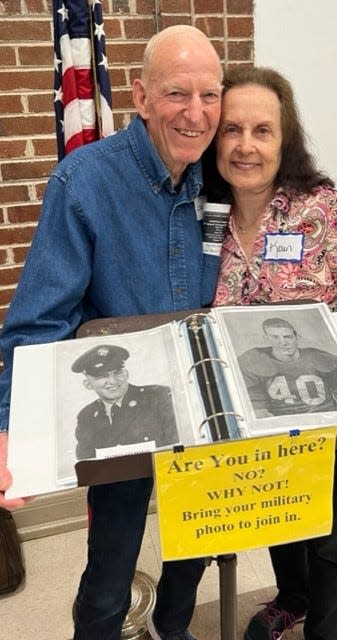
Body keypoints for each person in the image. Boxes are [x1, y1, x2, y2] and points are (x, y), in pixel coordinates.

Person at [0, 25, 223, 640]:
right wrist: (7, 427)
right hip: (120, 415)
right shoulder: (85, 183)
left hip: (203, 409)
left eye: (211, 94)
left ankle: (173, 629)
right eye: (178, 93)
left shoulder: (223, 175)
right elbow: (39, 320)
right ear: (141, 97)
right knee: (111, 564)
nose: (196, 112)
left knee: (196, 545)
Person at [206, 66, 337, 640]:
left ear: (285, 141)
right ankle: (293, 598)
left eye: (262, 130)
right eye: (232, 129)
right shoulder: (196, 217)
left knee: (331, 538)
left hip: (327, 412)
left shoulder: (322, 210)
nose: (245, 145)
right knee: (279, 521)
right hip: (248, 420)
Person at [239, 317, 337, 418]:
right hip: (284, 423)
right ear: (266, 339)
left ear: (297, 337)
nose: (283, 342)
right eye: (275, 337)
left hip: (326, 417)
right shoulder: (253, 360)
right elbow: (256, 403)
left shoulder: (322, 358)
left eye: (287, 337)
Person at [71, 344, 178, 460]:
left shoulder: (158, 397)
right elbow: (87, 463)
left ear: (126, 374)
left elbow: (178, 448)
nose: (113, 381)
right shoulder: (86, 416)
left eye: (117, 373)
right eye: (102, 376)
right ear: (88, 385)